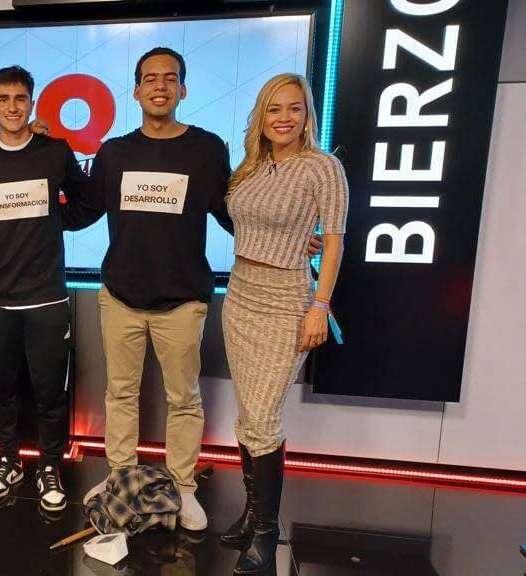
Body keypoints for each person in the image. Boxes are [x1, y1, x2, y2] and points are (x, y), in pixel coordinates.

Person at [67, 47, 233, 531]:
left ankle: (183, 487)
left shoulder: (207, 149)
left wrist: (284, 236)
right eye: (151, 78)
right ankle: (120, 478)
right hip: (121, 295)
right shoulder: (114, 153)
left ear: (183, 89)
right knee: (120, 394)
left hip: (183, 299)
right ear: (137, 90)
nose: (160, 86)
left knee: (184, 399)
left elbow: (231, 213)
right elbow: (84, 211)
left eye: (170, 78)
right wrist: (33, 195)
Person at [220, 73, 347, 574]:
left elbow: (333, 240)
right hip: (240, 294)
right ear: (261, 116)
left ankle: (267, 533)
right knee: (247, 413)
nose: (284, 118)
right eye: (274, 109)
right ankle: (252, 514)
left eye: (295, 108)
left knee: (263, 416)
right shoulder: (251, 166)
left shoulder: (323, 166)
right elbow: (255, 224)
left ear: (307, 114)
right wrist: (296, 236)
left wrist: (320, 304)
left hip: (286, 299)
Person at [0, 65, 89, 512]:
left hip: (47, 295)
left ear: (32, 103)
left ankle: (49, 465)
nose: (12, 107)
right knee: (0, 389)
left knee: (50, 391)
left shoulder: (55, 152)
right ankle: (8, 460)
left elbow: (87, 199)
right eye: (4, 99)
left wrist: (58, 221)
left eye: (20, 99)